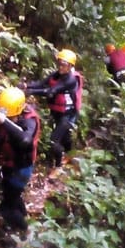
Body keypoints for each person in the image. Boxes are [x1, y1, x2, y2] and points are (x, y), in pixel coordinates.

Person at [0, 87, 40, 234]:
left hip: (21, 167)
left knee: (6, 207)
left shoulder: (29, 121)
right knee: (12, 195)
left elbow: (25, 140)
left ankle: (22, 231)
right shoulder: (6, 109)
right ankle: (22, 216)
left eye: (11, 117)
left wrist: (2, 119)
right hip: (7, 164)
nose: (8, 119)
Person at [24, 49, 83, 179]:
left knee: (54, 140)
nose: (61, 67)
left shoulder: (70, 80)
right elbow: (41, 83)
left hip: (67, 114)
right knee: (65, 136)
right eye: (60, 63)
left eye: (64, 64)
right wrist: (26, 86)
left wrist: (31, 92)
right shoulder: (57, 74)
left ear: (70, 66)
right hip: (57, 111)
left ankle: (58, 166)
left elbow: (51, 91)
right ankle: (69, 155)